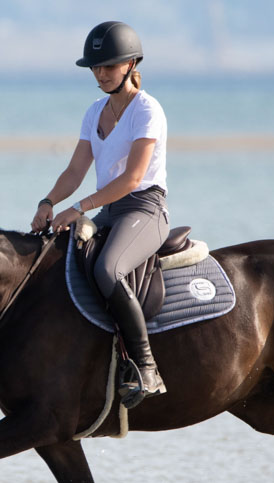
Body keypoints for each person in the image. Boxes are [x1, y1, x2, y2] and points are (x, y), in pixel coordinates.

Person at [29, 21, 169, 408]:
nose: (101, 73)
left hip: (145, 208)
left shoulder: (147, 110)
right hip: (109, 209)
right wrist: (48, 202)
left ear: (131, 64)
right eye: (96, 67)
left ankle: (146, 366)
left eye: (108, 66)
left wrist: (78, 208)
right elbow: (75, 171)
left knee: (108, 269)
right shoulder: (94, 113)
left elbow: (133, 178)